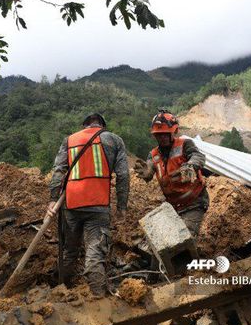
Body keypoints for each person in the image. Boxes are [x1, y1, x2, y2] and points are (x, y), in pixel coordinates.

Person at [48, 113, 129, 297]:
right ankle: (98, 297)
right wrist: (122, 207)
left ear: (85, 126)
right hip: (97, 204)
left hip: (71, 204)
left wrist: (53, 199)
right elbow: (123, 175)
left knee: (69, 251)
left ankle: (62, 291)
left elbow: (58, 171)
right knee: (95, 251)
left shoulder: (69, 140)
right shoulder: (114, 140)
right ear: (102, 125)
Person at [134, 110, 208, 237]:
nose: (162, 137)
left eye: (164, 134)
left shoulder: (185, 144)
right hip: (173, 206)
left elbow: (198, 156)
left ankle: (187, 256)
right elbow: (150, 167)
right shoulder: (153, 154)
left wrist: (190, 165)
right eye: (159, 135)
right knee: (158, 237)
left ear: (173, 132)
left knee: (185, 237)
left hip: (194, 202)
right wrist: (147, 172)